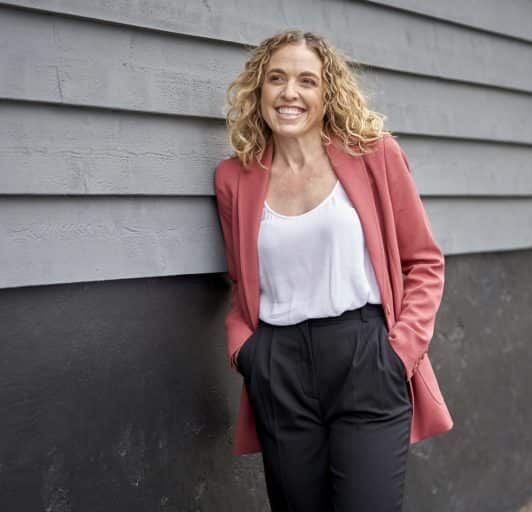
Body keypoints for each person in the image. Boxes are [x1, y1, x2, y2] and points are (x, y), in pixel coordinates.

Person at [214, 29, 453, 511]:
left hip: (366, 358)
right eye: (276, 78)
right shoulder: (233, 178)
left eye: (307, 81)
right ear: (258, 90)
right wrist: (246, 352)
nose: (289, 93)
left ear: (327, 94)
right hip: (278, 368)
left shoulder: (375, 155)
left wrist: (400, 353)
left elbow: (424, 261)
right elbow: (242, 281)